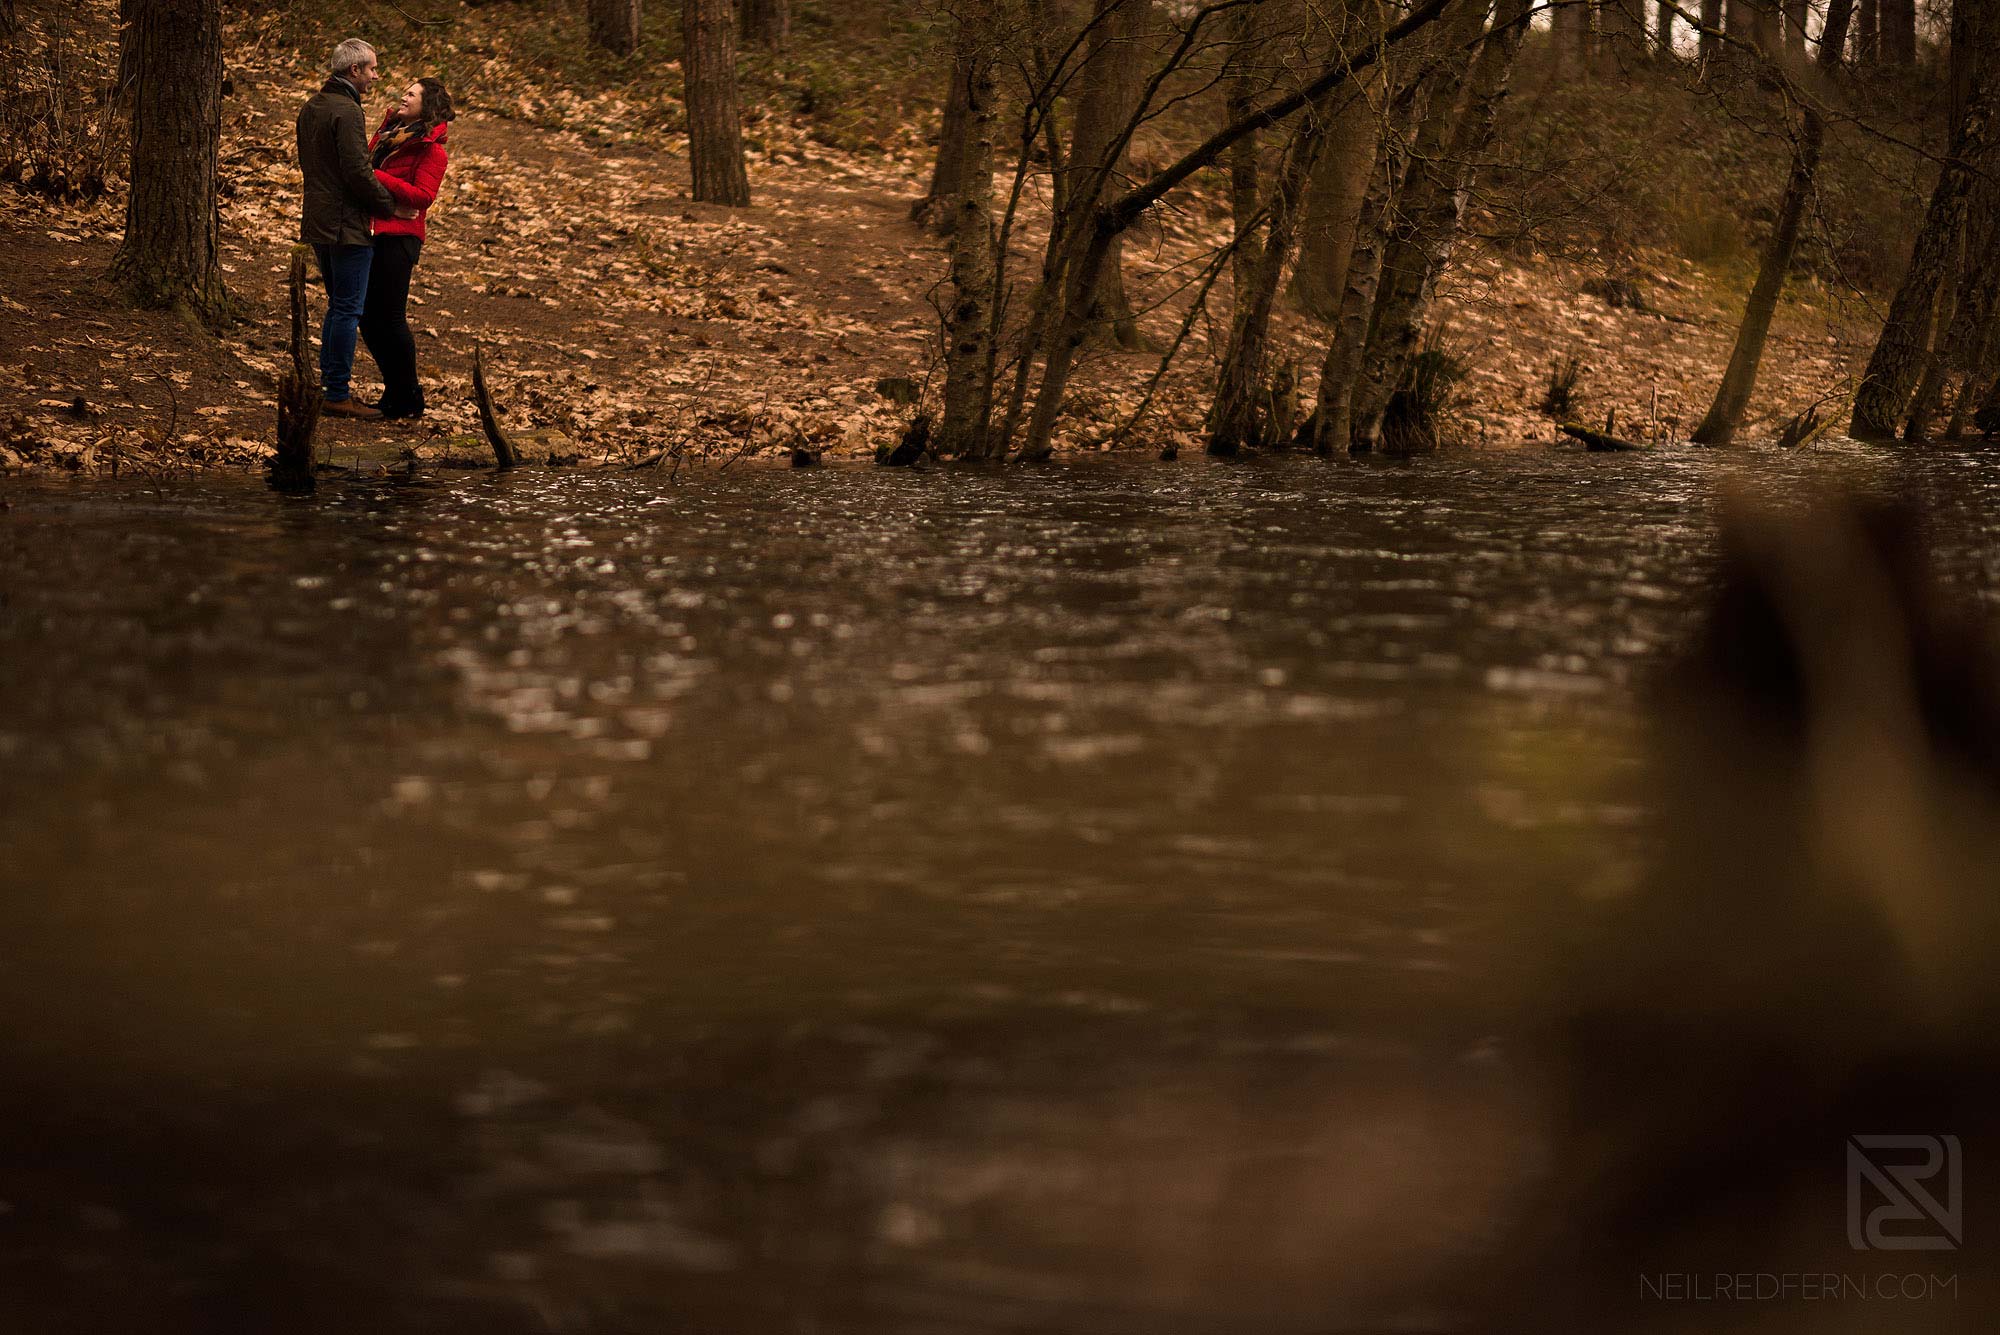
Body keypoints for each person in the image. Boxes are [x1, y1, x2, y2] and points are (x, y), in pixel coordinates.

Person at [296, 38, 400, 420]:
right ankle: (337, 393)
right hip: (345, 226)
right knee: (346, 309)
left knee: (337, 307)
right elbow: (357, 171)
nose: (375, 76)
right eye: (371, 69)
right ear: (354, 71)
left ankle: (330, 387)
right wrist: (386, 205)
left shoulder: (312, 107)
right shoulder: (348, 111)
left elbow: (313, 165)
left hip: (320, 221)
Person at [359, 77, 454, 421]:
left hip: (401, 238)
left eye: (412, 94)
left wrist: (376, 176)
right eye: (406, 91)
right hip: (374, 231)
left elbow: (423, 197)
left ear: (425, 106)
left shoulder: (432, 150)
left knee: (391, 318)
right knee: (368, 319)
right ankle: (396, 391)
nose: (404, 96)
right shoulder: (388, 134)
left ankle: (408, 395)